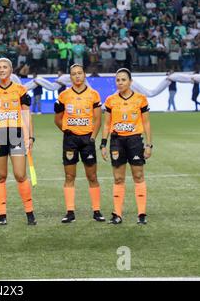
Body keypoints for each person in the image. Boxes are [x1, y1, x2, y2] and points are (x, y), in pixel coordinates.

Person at [0, 57, 37, 226]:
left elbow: (27, 115)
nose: (2, 70)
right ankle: (2, 214)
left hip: (16, 135)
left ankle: (29, 212)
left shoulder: (20, 90)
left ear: (11, 71)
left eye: (5, 67)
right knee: (0, 176)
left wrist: (31, 137)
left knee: (20, 175)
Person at [54, 64, 105, 223]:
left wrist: (93, 137)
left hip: (87, 140)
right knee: (70, 176)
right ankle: (70, 212)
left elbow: (98, 119)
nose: (77, 76)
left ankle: (96, 211)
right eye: (74, 74)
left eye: (80, 73)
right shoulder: (64, 96)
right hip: (70, 140)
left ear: (84, 75)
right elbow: (57, 119)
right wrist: (68, 132)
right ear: (70, 77)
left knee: (92, 176)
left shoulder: (93, 95)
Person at [100, 68, 152, 225]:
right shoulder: (110, 100)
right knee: (118, 178)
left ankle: (141, 214)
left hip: (135, 141)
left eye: (123, 79)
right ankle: (117, 214)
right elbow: (107, 124)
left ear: (130, 81)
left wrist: (149, 145)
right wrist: (103, 144)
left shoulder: (141, 99)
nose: (120, 82)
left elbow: (146, 122)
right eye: (118, 80)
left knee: (138, 176)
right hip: (117, 141)